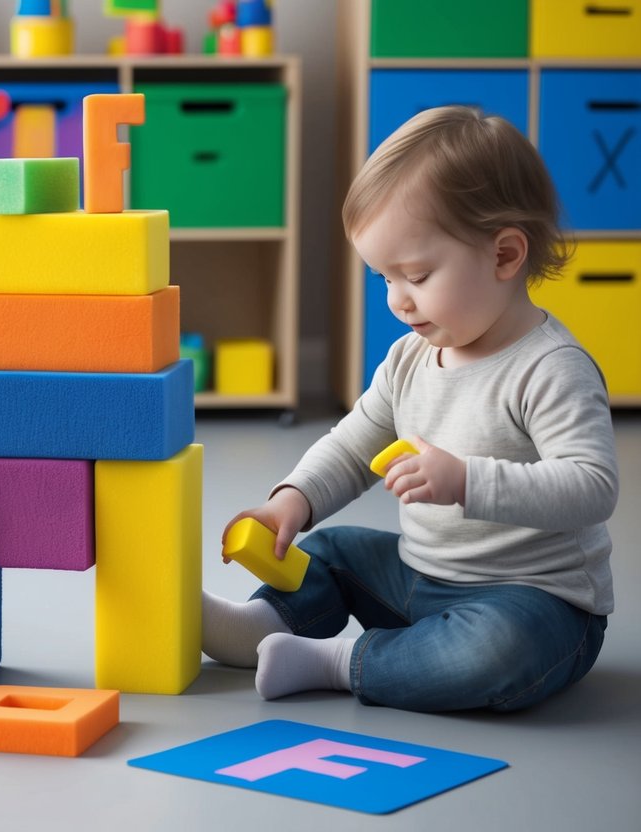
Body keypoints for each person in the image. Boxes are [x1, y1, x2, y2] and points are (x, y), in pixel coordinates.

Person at [203, 105, 617, 713]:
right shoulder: (410, 358)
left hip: (535, 601)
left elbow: (591, 487)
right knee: (334, 548)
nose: (397, 300)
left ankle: (339, 663)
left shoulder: (551, 368)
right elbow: (352, 445)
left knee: (498, 652)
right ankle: (260, 624)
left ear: (505, 256)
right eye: (382, 278)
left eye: (417, 275)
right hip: (417, 576)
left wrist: (465, 480)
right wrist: (291, 499)